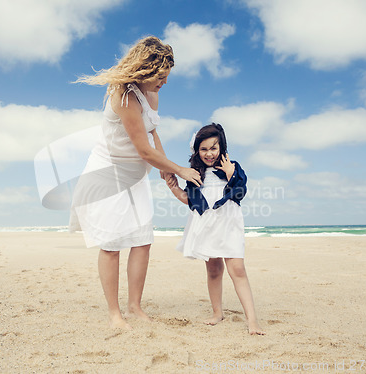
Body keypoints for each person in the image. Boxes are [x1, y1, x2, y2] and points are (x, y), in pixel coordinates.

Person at [69, 36, 202, 330]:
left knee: (142, 241)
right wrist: (180, 169)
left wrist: (169, 177)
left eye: (167, 78)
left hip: (136, 175)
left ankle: (134, 306)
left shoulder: (151, 94)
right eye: (161, 78)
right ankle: (115, 314)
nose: (165, 83)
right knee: (112, 245)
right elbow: (143, 150)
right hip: (110, 174)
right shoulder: (125, 96)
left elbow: (153, 137)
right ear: (145, 71)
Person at [166, 123, 265, 335]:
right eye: (204, 149)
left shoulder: (232, 167)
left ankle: (252, 321)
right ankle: (217, 312)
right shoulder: (195, 173)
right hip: (206, 224)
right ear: (197, 151)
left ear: (221, 147)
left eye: (213, 148)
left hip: (228, 222)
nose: (209, 153)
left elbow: (239, 193)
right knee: (213, 269)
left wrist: (231, 175)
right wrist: (173, 187)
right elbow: (190, 200)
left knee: (237, 269)